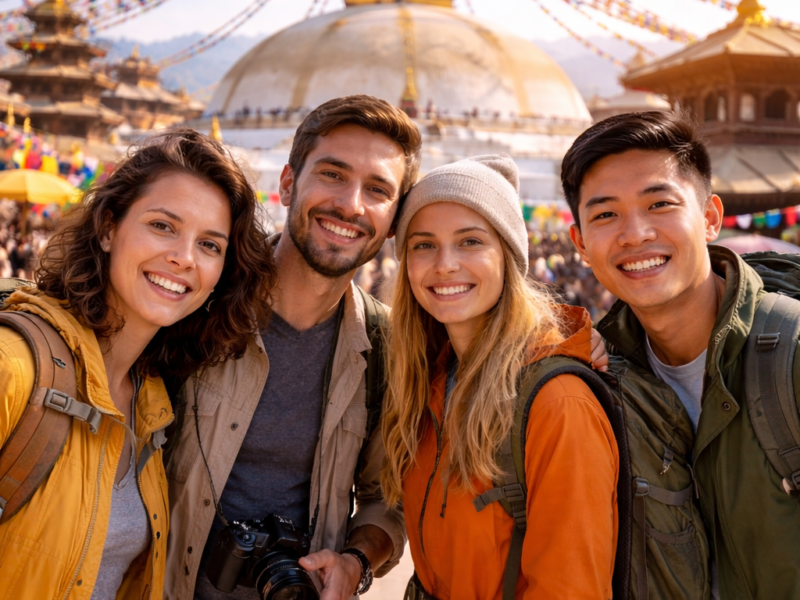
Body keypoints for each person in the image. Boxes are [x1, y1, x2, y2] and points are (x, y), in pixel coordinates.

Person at [0, 128, 276, 600]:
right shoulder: (14, 367)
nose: (183, 258)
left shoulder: (154, 403)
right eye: (163, 226)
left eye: (210, 245)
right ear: (109, 228)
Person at [164, 95, 421, 600]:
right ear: (287, 184)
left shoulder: (386, 346)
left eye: (377, 190)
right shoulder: (200, 299)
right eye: (332, 174)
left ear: (393, 220)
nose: (350, 204)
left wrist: (356, 559)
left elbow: (385, 499)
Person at [564, 111, 800, 599]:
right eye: (606, 214)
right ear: (581, 244)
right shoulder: (597, 377)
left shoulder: (792, 353)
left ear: (711, 217)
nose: (635, 234)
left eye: (659, 204)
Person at [382, 155, 619, 600]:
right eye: (423, 244)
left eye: (470, 241)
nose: (445, 264)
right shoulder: (430, 379)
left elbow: (570, 588)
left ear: (509, 255)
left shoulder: (558, 402)